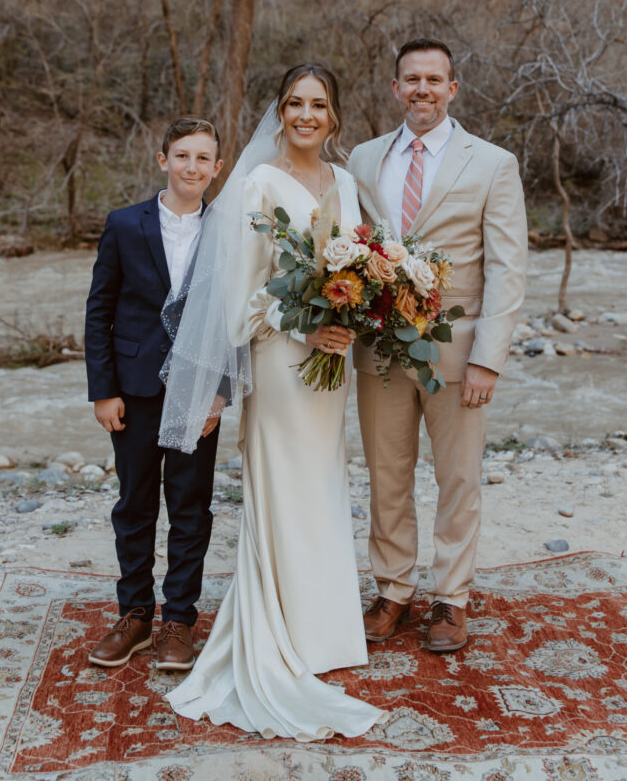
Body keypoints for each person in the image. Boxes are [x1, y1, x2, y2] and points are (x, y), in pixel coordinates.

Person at [159, 64, 386, 741]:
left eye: (318, 104)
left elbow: (357, 265)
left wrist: (354, 312)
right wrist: (304, 325)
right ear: (280, 112)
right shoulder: (257, 183)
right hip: (281, 358)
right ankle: (280, 631)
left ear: (335, 115)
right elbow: (240, 291)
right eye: (294, 103)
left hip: (332, 358)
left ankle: (325, 635)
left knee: (322, 484)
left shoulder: (345, 183)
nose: (306, 114)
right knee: (284, 486)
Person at [347, 39, 527, 653]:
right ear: (395, 89)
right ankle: (393, 589)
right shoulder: (364, 159)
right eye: (411, 79)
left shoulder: (493, 163)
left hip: (458, 353)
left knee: (458, 479)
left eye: (434, 79)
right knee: (386, 474)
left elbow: (508, 267)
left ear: (453, 88)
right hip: (380, 348)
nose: (422, 89)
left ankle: (451, 598)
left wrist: (488, 358)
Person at [84, 117, 224, 670]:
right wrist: (103, 391)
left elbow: (233, 321)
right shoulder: (124, 224)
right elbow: (100, 310)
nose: (192, 167)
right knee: (135, 504)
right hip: (135, 389)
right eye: (182, 156)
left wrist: (219, 395)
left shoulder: (228, 229)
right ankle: (135, 615)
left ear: (218, 168)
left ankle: (180, 621)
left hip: (198, 389)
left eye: (203, 159)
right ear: (163, 159)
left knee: (190, 507)